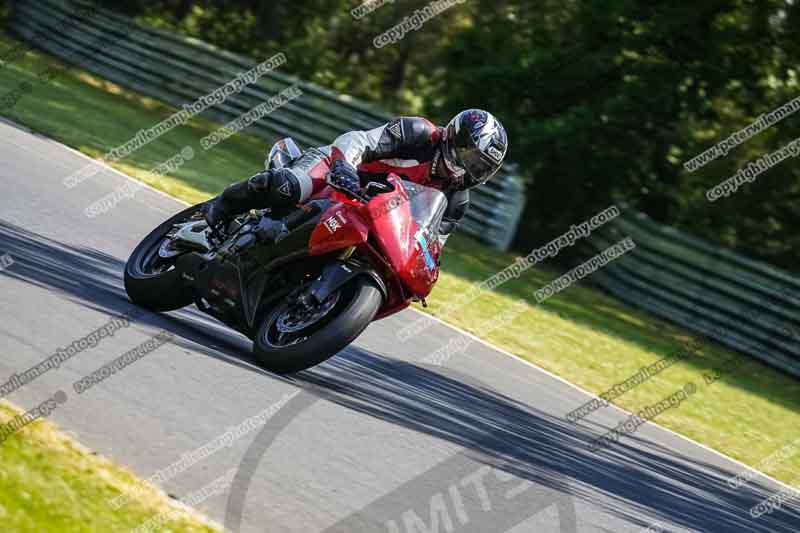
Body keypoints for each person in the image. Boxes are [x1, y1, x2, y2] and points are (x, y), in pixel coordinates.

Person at [204, 109, 508, 243]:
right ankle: (221, 207)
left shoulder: (456, 200)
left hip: (368, 215)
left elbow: (432, 245)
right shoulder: (419, 134)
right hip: (336, 172)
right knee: (289, 186)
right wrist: (344, 168)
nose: (471, 169)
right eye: (472, 157)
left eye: (481, 167)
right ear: (456, 139)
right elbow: (358, 141)